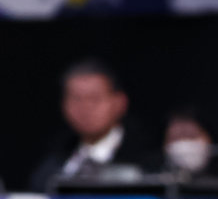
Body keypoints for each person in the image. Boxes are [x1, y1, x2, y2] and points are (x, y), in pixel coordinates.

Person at [29, 60, 155, 191]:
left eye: (95, 98)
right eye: (76, 99)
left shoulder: (148, 163)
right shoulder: (49, 166)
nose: (85, 108)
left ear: (120, 102)